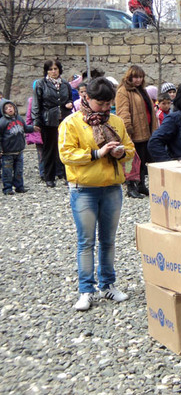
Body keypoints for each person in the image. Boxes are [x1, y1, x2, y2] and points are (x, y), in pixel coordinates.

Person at [58, 77, 135, 311]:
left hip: (112, 187)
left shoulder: (116, 122)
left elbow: (130, 148)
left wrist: (121, 153)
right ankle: (86, 290)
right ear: (87, 98)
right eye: (100, 103)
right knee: (86, 241)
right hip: (83, 189)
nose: (104, 108)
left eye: (107, 104)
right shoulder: (71, 123)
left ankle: (108, 285)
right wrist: (97, 153)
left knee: (108, 241)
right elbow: (66, 154)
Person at [115, 65, 158, 199]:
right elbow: (123, 112)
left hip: (145, 132)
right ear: (129, 77)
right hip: (133, 133)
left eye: (140, 77)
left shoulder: (141, 91)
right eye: (135, 77)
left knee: (142, 160)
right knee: (130, 161)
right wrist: (128, 130)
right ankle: (130, 186)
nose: (138, 80)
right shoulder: (123, 91)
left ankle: (140, 185)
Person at [31, 59, 73, 188]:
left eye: (55, 69)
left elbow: (70, 98)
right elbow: (36, 104)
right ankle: (49, 177)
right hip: (47, 120)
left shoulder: (65, 84)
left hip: (64, 120)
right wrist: (36, 121)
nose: (53, 72)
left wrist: (69, 104)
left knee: (66, 147)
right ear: (46, 71)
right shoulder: (40, 84)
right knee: (49, 150)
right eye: (50, 69)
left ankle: (68, 176)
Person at [0, 99, 38, 194]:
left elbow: (25, 128)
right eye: (7, 108)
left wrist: (33, 128)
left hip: (19, 150)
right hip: (7, 152)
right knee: (7, 171)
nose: (9, 109)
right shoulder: (2, 122)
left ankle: (19, 186)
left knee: (19, 170)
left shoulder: (19, 119)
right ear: (3, 111)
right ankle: (7, 188)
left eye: (11, 107)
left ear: (14, 108)